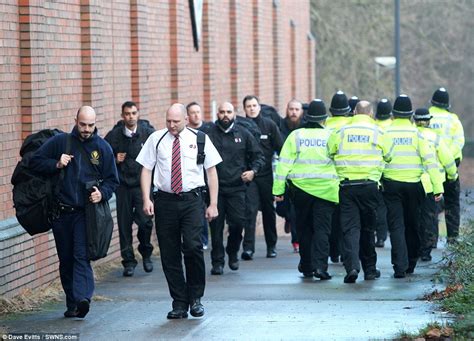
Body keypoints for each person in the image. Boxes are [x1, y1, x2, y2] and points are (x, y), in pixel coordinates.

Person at [30, 106, 119, 318]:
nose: (86, 129)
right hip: (61, 212)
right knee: (66, 259)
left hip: (85, 213)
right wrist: (56, 163)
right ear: (75, 121)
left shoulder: (102, 147)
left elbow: (112, 180)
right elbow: (34, 162)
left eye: (90, 125)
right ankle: (72, 303)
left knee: (81, 255)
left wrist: (102, 193)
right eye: (82, 124)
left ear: (95, 123)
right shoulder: (61, 142)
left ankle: (83, 298)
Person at [137, 103, 222, 319]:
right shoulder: (156, 139)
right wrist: (146, 198)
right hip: (164, 201)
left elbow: (211, 172)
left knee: (193, 247)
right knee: (169, 253)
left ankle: (195, 298)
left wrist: (213, 203)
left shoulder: (200, 139)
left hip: (192, 200)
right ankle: (179, 302)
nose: (172, 125)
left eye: (176, 121)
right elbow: (146, 170)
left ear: (185, 119)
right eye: (168, 121)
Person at [328, 101, 393, 283]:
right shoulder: (379, 132)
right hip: (370, 186)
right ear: (371, 113)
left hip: (347, 187)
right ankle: (370, 270)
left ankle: (352, 267)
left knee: (350, 229)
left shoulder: (341, 132)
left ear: (354, 112)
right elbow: (389, 155)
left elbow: (330, 151)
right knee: (368, 229)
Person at [273, 99, 339, 280]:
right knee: (322, 230)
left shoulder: (296, 136)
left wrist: (278, 191)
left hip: (300, 191)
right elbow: (339, 163)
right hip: (326, 191)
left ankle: (307, 265)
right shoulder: (331, 136)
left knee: (304, 230)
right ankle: (321, 267)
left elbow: (283, 165)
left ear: (306, 117)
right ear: (324, 119)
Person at [382, 95, 443, 278]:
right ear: (410, 115)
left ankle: (399, 266)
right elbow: (430, 162)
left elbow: (380, 159)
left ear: (393, 114)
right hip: (414, 186)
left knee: (396, 227)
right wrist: (437, 186)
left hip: (391, 186)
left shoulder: (385, 135)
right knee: (412, 224)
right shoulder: (418, 135)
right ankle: (411, 261)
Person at [206, 102, 265, 275]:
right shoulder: (209, 135)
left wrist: (253, 172)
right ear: (217, 114)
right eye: (222, 112)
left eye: (229, 112)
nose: (225, 115)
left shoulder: (244, 134)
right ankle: (217, 261)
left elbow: (258, 157)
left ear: (234, 114)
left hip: (237, 188)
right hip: (215, 190)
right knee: (215, 228)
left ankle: (232, 252)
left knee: (238, 224)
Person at [105, 101, 155, 277]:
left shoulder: (148, 134)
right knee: (124, 225)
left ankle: (146, 252)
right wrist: (114, 159)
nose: (130, 117)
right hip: (123, 187)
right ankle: (128, 261)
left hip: (143, 187)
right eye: (127, 114)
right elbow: (102, 157)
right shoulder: (114, 136)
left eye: (133, 113)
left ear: (138, 114)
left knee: (146, 222)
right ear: (122, 116)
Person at [413, 108, 458, 261]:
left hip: (412, 182)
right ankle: (426, 250)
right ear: (428, 120)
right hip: (431, 183)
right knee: (429, 217)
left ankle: (414, 248)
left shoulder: (411, 135)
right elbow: (447, 158)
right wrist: (452, 175)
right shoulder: (434, 137)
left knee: (413, 217)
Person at [242, 95, 283, 259]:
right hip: (249, 176)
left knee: (268, 211)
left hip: (266, 176)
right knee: (250, 211)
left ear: (259, 107)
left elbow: (281, 148)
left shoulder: (269, 125)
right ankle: (248, 248)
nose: (252, 108)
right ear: (244, 109)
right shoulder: (241, 127)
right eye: (248, 106)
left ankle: (271, 246)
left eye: (254, 105)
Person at [428, 87, 465, 242]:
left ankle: (431, 239)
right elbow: (459, 142)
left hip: (431, 168)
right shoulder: (453, 120)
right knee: (452, 202)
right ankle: (453, 237)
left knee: (430, 204)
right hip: (450, 168)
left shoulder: (425, 117)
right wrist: (448, 159)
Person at [326, 91, 352, 264]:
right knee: (346, 220)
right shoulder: (350, 125)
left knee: (331, 220)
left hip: (327, 180)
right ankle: (344, 253)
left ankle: (333, 252)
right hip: (346, 177)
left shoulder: (325, 124)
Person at [277, 99, 305, 253]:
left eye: (297, 109)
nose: (294, 112)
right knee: (283, 210)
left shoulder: (304, 128)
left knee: (295, 212)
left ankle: (297, 241)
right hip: (283, 173)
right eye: (291, 109)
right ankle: (287, 217)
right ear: (286, 110)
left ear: (301, 111)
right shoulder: (280, 127)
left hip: (299, 177)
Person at [186, 102, 214, 249]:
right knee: (200, 208)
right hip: (195, 178)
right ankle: (202, 239)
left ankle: (212, 236)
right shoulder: (185, 134)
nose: (196, 115)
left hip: (209, 175)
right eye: (193, 112)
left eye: (198, 111)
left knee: (211, 206)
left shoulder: (210, 130)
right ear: (187, 116)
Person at [373, 98, 393, 248]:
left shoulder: (373, 127)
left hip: (375, 170)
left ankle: (379, 237)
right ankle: (384, 233)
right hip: (392, 171)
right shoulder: (393, 128)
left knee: (378, 205)